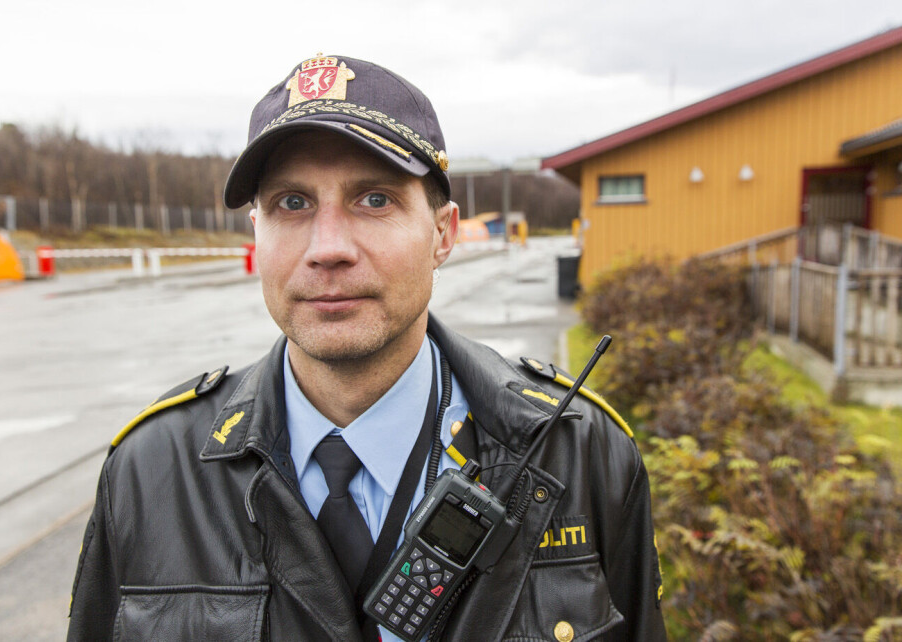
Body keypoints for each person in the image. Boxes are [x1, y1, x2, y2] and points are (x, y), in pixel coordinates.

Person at [67, 55, 666, 641]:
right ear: (257, 234)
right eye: (291, 203)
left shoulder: (581, 453)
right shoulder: (149, 471)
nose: (328, 247)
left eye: (375, 199)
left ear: (443, 233)